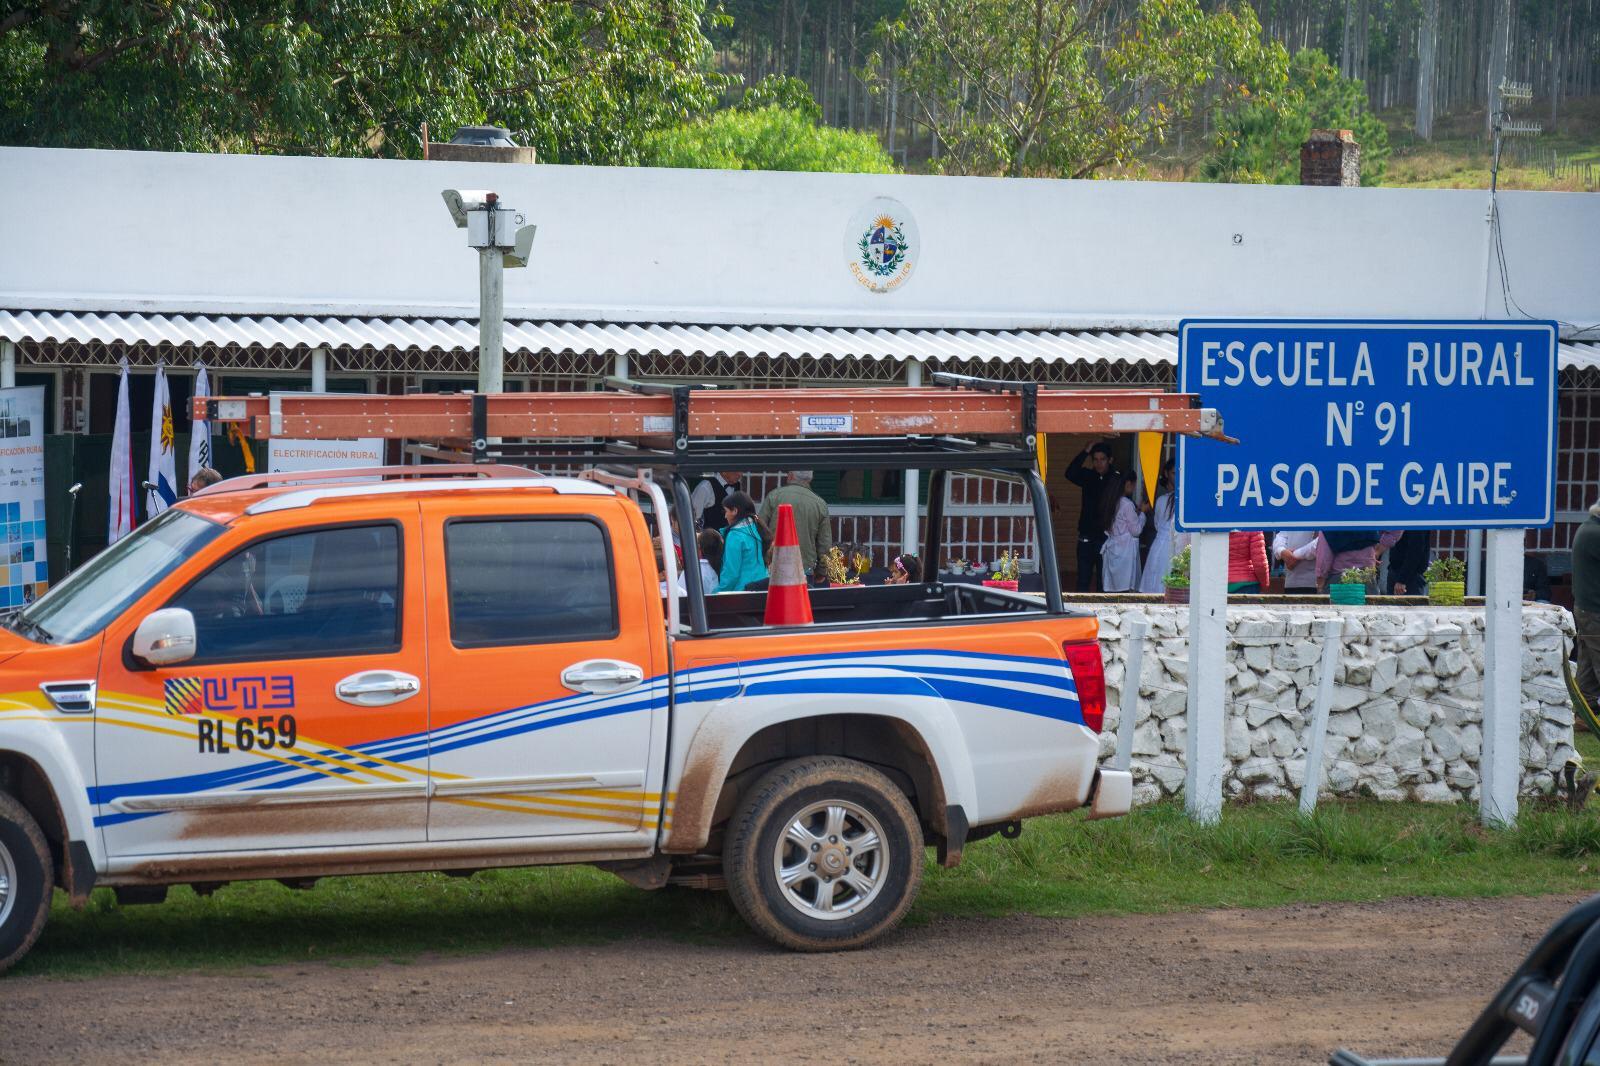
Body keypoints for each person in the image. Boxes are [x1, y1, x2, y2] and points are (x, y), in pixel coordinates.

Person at [1065, 441, 1118, 591]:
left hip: (1107, 538)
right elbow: (1070, 473)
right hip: (1086, 536)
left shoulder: (1116, 479)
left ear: (1110, 460)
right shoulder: (1088, 476)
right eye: (1095, 459)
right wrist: (1085, 451)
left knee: (1104, 580)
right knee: (1083, 578)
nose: (1099, 463)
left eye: (1103, 459)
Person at [758, 470, 831, 579]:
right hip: (805, 568)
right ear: (810, 479)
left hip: (774, 566)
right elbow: (824, 543)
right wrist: (822, 571)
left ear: (790, 476)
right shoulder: (820, 504)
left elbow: (759, 529)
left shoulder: (774, 496)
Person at [1100, 471, 1145, 592]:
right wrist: (1143, 514)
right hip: (1125, 551)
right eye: (1135, 484)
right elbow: (1136, 530)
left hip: (1112, 547)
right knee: (1124, 588)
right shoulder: (1127, 504)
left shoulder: (1110, 501)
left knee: (1112, 587)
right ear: (1128, 484)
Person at [1315, 530, 1402, 591]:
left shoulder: (1330, 523)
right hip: (1367, 577)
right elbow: (1396, 527)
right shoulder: (1367, 518)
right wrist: (1378, 550)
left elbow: (1324, 556)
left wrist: (1320, 583)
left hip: (1339, 580)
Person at [1138, 462, 1178, 593]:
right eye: (1174, 473)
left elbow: (1157, 523)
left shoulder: (1162, 500)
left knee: (1156, 583)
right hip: (1171, 545)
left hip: (1160, 544)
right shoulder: (1163, 499)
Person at [716, 491, 769, 592]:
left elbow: (731, 574)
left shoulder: (735, 535)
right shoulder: (759, 528)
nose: (725, 516)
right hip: (762, 589)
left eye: (726, 511)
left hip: (741, 593)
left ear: (735, 511)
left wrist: (716, 594)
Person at [1386, 530, 1432, 595]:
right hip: (1395, 570)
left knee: (1411, 604)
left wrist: (1402, 580)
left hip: (1411, 576)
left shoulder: (1417, 523)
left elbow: (1415, 551)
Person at [1227, 530, 1270, 594]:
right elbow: (1260, 563)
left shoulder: (1211, 523)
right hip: (1247, 584)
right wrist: (1265, 585)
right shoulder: (1253, 525)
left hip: (1216, 584)